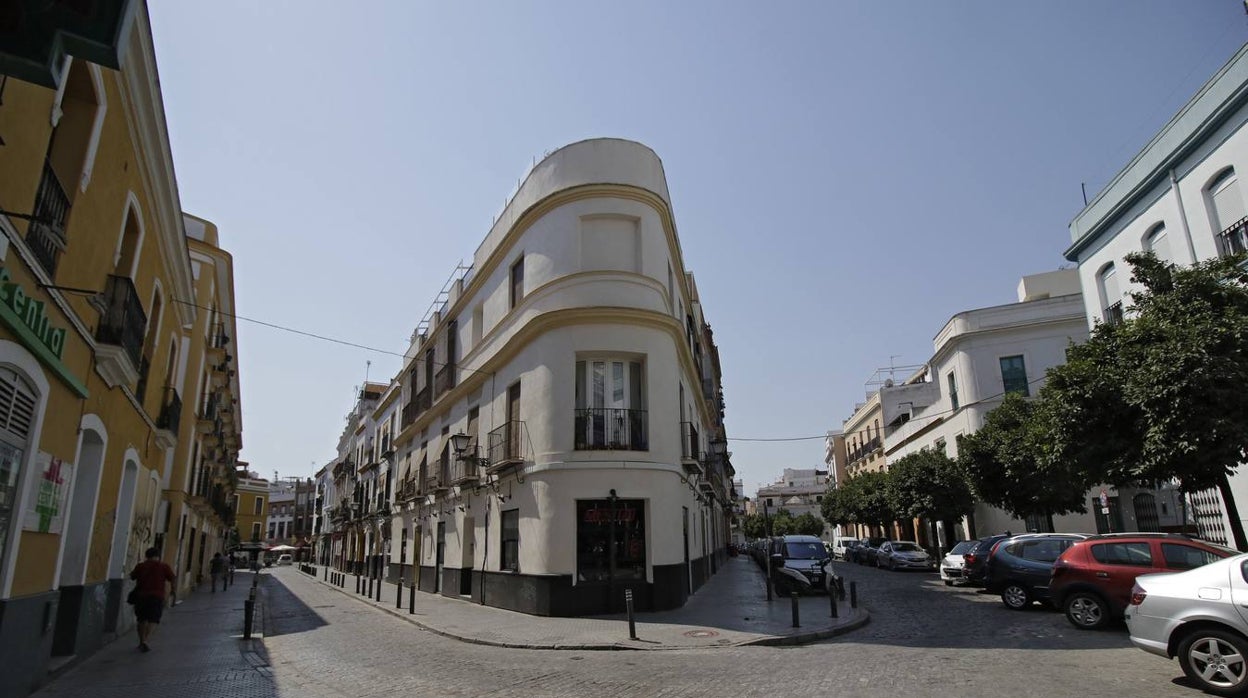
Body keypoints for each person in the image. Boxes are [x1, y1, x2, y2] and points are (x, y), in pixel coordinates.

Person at [129, 547, 175, 653]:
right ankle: (146, 640)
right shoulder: (163, 566)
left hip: (141, 596)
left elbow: (132, 577)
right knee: (153, 619)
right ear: (158, 556)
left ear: (146, 556)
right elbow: (172, 578)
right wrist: (172, 590)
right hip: (156, 596)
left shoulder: (140, 566)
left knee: (141, 619)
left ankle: (141, 641)